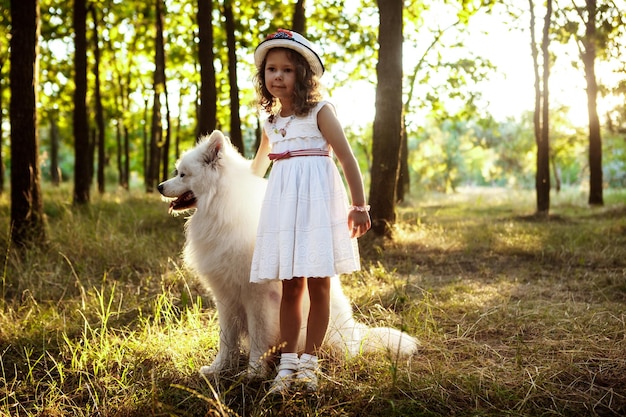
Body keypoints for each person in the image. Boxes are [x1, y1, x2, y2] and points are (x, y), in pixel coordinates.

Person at [249, 28, 371, 395]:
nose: (278, 77)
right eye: (271, 69)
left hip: (319, 205)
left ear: (303, 75)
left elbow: (348, 159)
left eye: (287, 70)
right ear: (263, 75)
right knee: (290, 286)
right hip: (285, 208)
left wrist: (360, 206)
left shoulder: (321, 111)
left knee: (319, 285)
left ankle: (310, 364)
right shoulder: (269, 121)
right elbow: (257, 169)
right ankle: (287, 364)